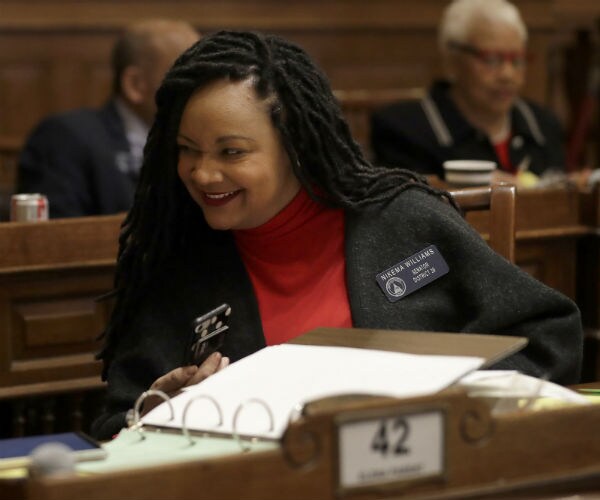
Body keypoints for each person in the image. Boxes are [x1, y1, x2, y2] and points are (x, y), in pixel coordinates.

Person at [91, 30, 583, 440]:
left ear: (296, 147)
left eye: (231, 152)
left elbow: (547, 334)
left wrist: (449, 407)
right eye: (187, 150)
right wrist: (164, 414)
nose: (202, 174)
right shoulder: (178, 258)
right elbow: (117, 424)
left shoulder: (401, 221)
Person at [16, 19, 200, 218]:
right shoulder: (64, 138)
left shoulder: (196, 142)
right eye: (188, 76)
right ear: (136, 85)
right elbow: (56, 239)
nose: (201, 89)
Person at [370, 0, 566, 180]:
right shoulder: (404, 131)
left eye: (517, 60)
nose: (508, 74)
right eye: (491, 59)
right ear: (452, 60)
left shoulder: (543, 124)